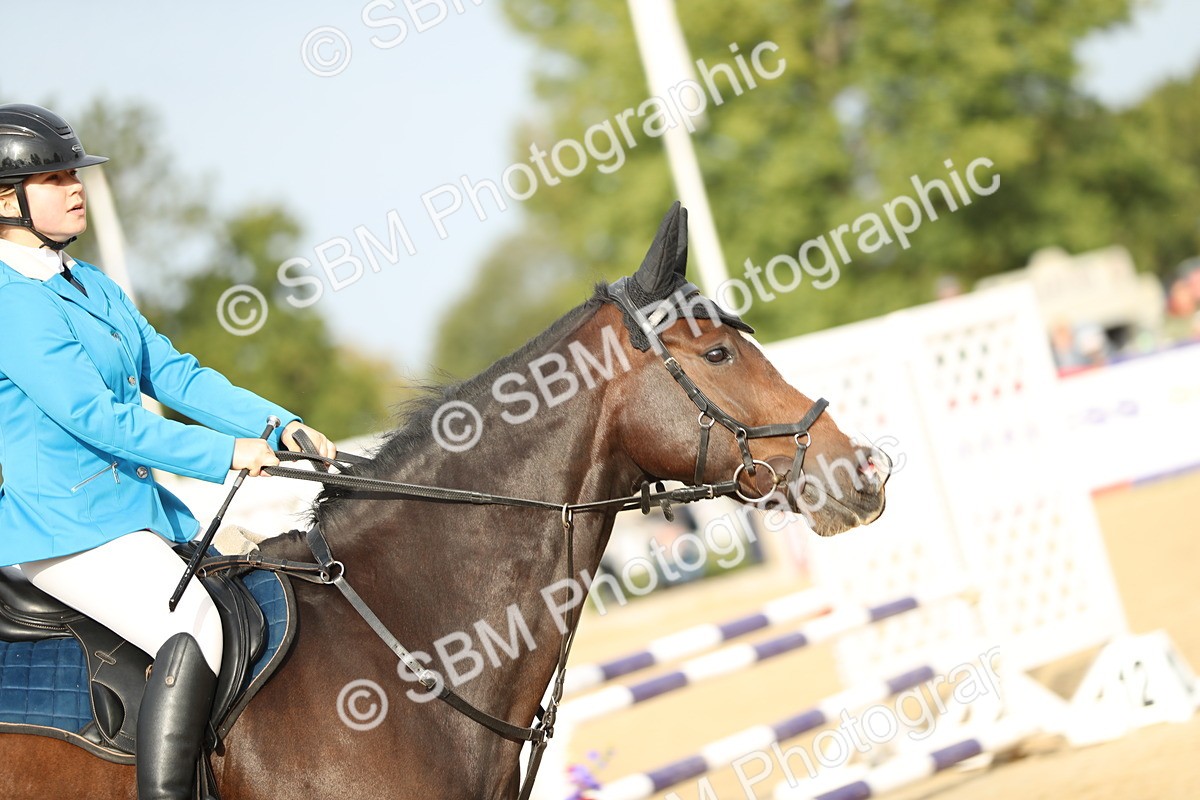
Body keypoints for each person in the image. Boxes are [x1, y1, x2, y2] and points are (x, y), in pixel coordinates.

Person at [0, 103, 337, 800]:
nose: (75, 187)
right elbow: (97, 419)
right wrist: (226, 453)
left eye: (75, 174)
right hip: (65, 527)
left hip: (135, 512)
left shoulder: (88, 284)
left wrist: (278, 426)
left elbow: (174, 373)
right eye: (57, 176)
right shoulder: (9, 303)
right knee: (194, 624)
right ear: (7, 199)